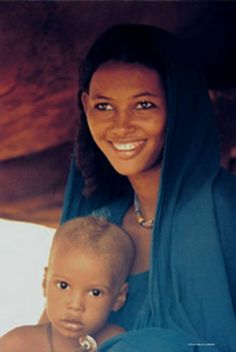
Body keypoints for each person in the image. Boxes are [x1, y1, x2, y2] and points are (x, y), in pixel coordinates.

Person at [61, 24, 236, 351]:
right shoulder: (99, 225)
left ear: (177, 108)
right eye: (103, 106)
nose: (121, 126)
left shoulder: (225, 210)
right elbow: (52, 337)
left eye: (143, 105)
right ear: (85, 107)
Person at [0, 216, 135, 352]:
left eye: (95, 293)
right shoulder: (17, 344)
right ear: (45, 282)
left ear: (119, 297)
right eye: (63, 286)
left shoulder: (117, 343)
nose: (75, 305)